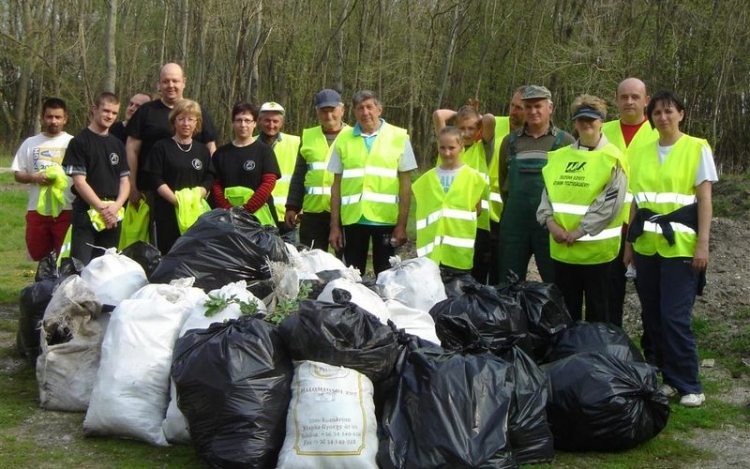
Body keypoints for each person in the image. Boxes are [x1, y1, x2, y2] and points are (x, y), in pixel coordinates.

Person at [624, 90, 717, 408]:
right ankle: (665, 378)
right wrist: (629, 244)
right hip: (647, 247)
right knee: (652, 316)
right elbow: (637, 201)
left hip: (680, 247)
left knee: (675, 317)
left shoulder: (696, 148)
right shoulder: (642, 152)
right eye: (657, 113)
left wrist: (703, 243)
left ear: (681, 114)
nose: (662, 117)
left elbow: (704, 199)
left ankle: (690, 383)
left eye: (668, 111)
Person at [537, 95, 628, 323]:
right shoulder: (559, 158)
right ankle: (569, 354)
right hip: (563, 251)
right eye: (581, 120)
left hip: (599, 254)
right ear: (575, 123)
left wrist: (580, 231)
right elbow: (548, 196)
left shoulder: (613, 158)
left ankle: (598, 356)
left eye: (592, 119)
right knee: (566, 313)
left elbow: (610, 204)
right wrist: (550, 224)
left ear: (601, 122)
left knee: (600, 313)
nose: (586, 124)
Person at [328, 90, 417, 276]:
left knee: (387, 276)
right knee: (352, 275)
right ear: (354, 112)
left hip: (385, 220)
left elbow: (406, 185)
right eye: (360, 108)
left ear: (379, 109)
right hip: (353, 219)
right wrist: (335, 227)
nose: (365, 112)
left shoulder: (399, 137)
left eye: (370, 107)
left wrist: (402, 224)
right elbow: (335, 185)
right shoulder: (343, 139)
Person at [497, 85, 575, 283]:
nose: (533, 111)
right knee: (508, 284)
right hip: (515, 226)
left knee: (556, 283)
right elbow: (503, 182)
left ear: (550, 108)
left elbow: (573, 187)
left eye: (538, 106)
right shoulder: (510, 142)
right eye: (528, 106)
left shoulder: (565, 142)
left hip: (550, 226)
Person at [601, 77, 659, 328]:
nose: (629, 101)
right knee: (608, 294)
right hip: (608, 226)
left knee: (650, 296)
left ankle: (654, 352)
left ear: (646, 100)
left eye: (635, 97)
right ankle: (611, 345)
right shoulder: (602, 130)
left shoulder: (658, 132)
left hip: (643, 227)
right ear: (616, 100)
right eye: (624, 97)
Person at [126, 63, 218, 208]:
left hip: (193, 195)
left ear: (184, 82)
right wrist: (131, 187)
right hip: (151, 192)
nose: (171, 85)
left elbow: (211, 150)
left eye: (175, 81)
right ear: (159, 84)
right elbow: (131, 150)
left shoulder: (198, 112)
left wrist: (210, 188)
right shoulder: (146, 111)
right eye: (165, 81)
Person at [61, 92, 130, 265]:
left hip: (114, 215)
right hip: (86, 213)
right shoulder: (79, 142)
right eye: (106, 111)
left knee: (106, 268)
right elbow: (79, 181)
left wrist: (115, 207)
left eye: (114, 113)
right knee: (81, 266)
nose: (110, 116)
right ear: (94, 109)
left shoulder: (117, 144)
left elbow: (125, 181)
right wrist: (102, 209)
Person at [432, 103, 495, 282]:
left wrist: (477, 117)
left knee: (477, 274)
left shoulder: (483, 148)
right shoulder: (449, 147)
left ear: (479, 129)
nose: (466, 133)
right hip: (448, 222)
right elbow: (438, 115)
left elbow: (490, 119)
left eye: (472, 128)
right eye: (461, 128)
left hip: (477, 223)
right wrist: (459, 114)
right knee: (447, 272)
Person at [143, 99, 213, 255]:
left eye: (190, 119)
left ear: (197, 123)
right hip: (167, 211)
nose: (186, 123)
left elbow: (209, 177)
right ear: (174, 121)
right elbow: (155, 178)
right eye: (181, 119)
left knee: (195, 255)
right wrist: (177, 201)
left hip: (195, 212)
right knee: (170, 255)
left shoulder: (202, 151)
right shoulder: (161, 147)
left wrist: (194, 197)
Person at [413, 126, 487, 271]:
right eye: (442, 148)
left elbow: (477, 210)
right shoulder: (426, 180)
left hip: (458, 253)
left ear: (461, 147)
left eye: (451, 148)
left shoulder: (474, 178)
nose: (447, 153)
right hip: (431, 253)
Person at [284, 89, 349, 251]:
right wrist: (292, 206)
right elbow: (299, 175)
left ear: (342, 110)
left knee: (346, 264)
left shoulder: (353, 136)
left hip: (345, 212)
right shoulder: (308, 136)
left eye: (332, 111)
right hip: (312, 213)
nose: (328, 116)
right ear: (317, 112)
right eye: (323, 111)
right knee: (312, 262)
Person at [11, 98, 75, 261]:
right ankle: (41, 285)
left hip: (66, 208)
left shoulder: (73, 142)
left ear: (65, 119)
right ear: (42, 117)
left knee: (65, 257)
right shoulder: (30, 143)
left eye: (58, 117)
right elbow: (18, 174)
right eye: (49, 117)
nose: (53, 121)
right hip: (37, 209)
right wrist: (34, 177)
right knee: (39, 255)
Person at [211, 102, 280, 226]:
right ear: (232, 123)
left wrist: (246, 211)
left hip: (258, 217)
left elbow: (268, 183)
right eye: (239, 120)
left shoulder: (264, 151)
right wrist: (229, 210)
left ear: (254, 124)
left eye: (247, 121)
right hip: (227, 218)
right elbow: (215, 185)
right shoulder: (221, 153)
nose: (243, 125)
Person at [488, 86, 527, 284]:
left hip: (513, 215)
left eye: (519, 108)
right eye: (512, 105)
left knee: (504, 272)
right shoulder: (493, 125)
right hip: (485, 214)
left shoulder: (532, 138)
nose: (513, 111)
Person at [257, 101, 301, 235]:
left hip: (287, 215)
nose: (271, 125)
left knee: (291, 255)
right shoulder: (250, 144)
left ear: (281, 123)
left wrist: (300, 207)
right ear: (259, 121)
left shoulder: (296, 142)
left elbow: (304, 177)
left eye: (275, 121)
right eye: (267, 121)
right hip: (259, 215)